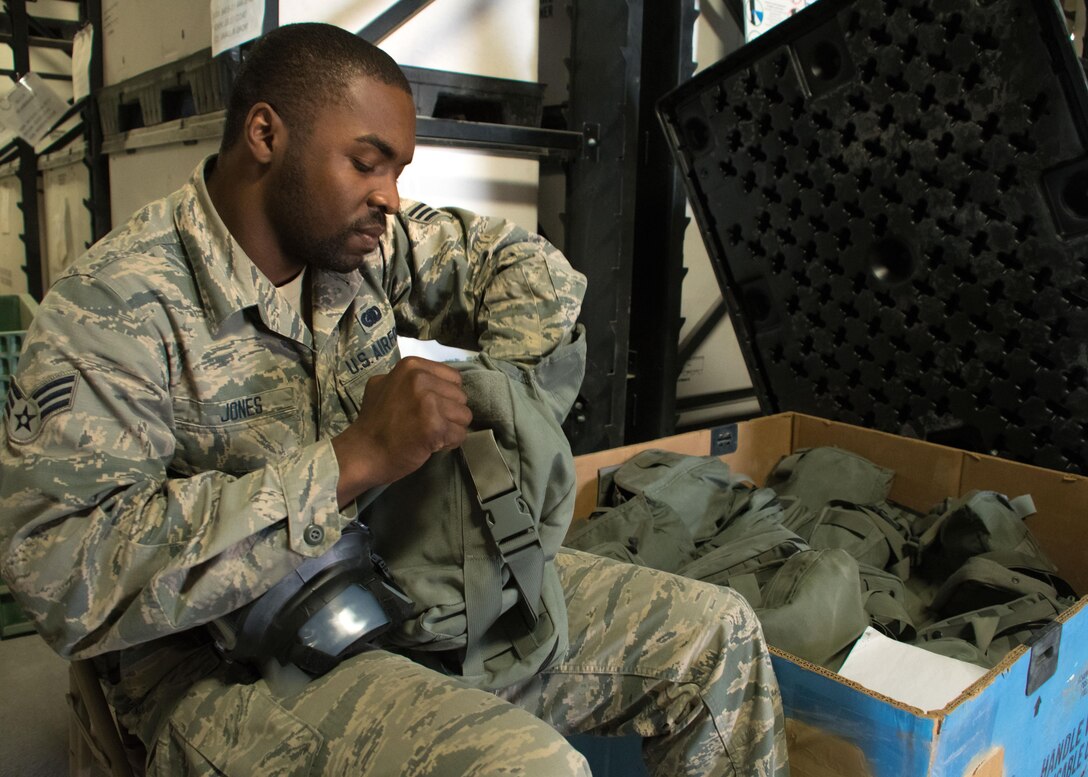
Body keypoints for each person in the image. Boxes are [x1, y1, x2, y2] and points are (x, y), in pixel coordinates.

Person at [0, 22, 787, 777]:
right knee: (529, 766)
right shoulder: (116, 309)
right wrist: (348, 463)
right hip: (222, 662)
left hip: (399, 574)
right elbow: (65, 574)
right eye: (367, 162)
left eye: (399, 171)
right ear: (266, 136)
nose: (390, 198)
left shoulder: (359, 245)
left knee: (715, 638)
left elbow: (528, 274)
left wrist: (498, 394)